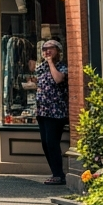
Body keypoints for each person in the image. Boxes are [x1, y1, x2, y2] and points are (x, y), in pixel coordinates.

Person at [34, 39, 69, 185]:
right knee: (45, 143)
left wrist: (50, 63)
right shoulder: (41, 67)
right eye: (44, 49)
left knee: (52, 142)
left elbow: (58, 79)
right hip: (42, 111)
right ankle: (55, 173)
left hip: (56, 111)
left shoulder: (62, 66)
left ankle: (59, 175)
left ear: (58, 51)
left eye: (51, 48)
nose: (47, 51)